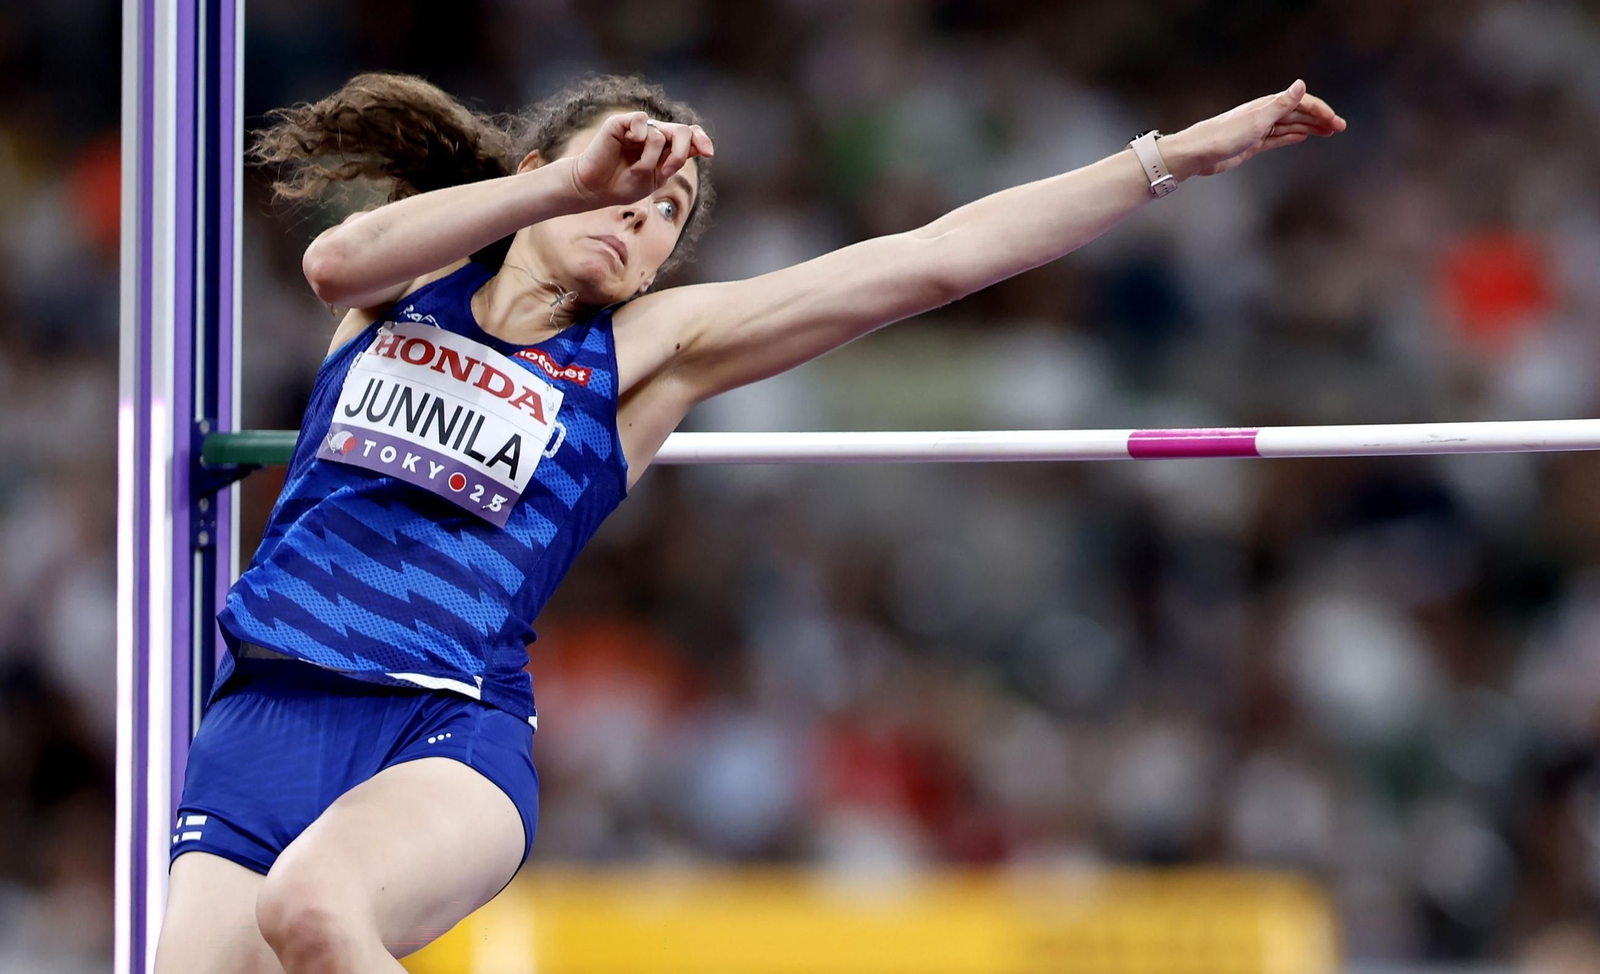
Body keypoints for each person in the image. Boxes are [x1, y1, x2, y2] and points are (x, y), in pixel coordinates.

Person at [153, 71, 1344, 972]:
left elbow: (932, 260)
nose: (642, 220)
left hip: (446, 731)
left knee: (312, 908)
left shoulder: (640, 354)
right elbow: (332, 259)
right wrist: (574, 181)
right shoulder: (404, 285)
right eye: (630, 187)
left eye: (668, 213)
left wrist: (1169, 159)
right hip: (265, 708)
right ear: (543, 173)